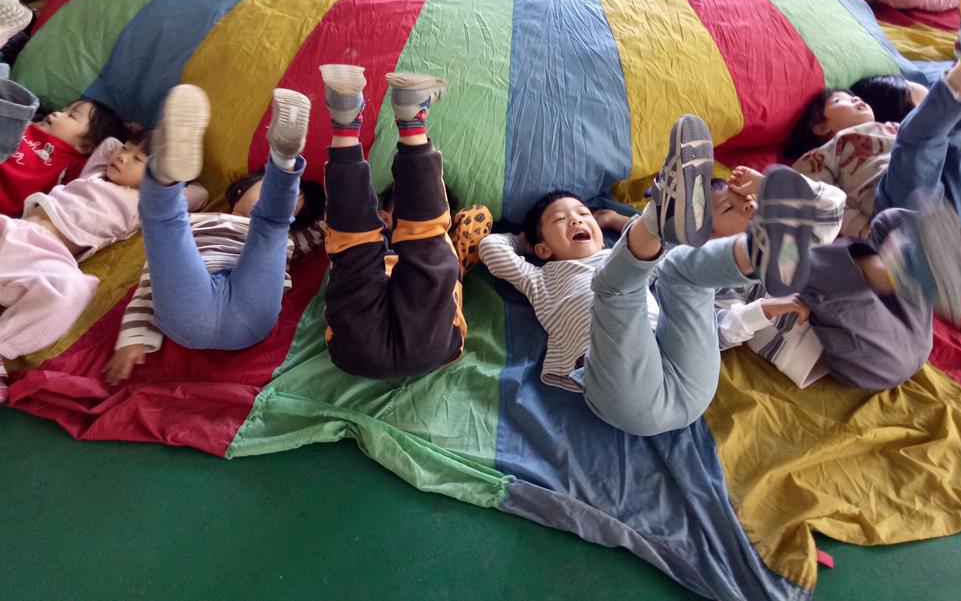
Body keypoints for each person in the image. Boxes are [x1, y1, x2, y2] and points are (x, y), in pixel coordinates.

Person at [481, 113, 828, 435]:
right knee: (611, 287)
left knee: (680, 269)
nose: (576, 220)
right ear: (543, 249)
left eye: (584, 213)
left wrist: (617, 221)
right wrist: (524, 241)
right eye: (560, 220)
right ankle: (662, 208)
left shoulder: (623, 258)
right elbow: (491, 248)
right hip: (626, 396)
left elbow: (656, 252)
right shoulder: (540, 278)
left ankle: (758, 251)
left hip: (688, 382)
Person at [105, 84, 325, 383]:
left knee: (273, 225)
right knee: (167, 225)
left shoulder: (289, 241)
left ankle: (284, 160)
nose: (284, 202)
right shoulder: (196, 220)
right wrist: (132, 336)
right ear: (244, 188)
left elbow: (327, 228)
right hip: (190, 308)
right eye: (268, 188)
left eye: (295, 206)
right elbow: (155, 276)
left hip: (251, 311)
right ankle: (170, 169)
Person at [789, 0, 961, 240]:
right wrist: (862, 228)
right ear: (820, 127)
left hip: (957, 211)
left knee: (955, 136)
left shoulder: (889, 127)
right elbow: (814, 198)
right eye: (840, 100)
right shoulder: (826, 152)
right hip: (902, 211)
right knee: (915, 138)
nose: (856, 98)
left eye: (855, 95)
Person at [318, 65, 477, 379]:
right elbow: (475, 218)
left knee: (367, 244)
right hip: (408, 346)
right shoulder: (442, 249)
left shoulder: (387, 238)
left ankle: (405, 121)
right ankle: (348, 121)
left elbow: (467, 220)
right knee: (369, 243)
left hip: (366, 342)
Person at [710, 168, 934, 391]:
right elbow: (715, 330)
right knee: (803, 263)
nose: (749, 205)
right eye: (728, 208)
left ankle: (938, 248)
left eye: (749, 199)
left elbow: (833, 206)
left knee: (888, 221)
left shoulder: (785, 229)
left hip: (905, 322)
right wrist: (766, 309)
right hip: (870, 356)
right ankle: (891, 267)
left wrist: (766, 184)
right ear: (708, 239)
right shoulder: (720, 277)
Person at [0, 131, 166, 399]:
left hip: (47, 256)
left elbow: (197, 193)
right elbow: (109, 143)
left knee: (75, 288)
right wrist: (137, 143)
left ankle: (3, 347)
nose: (122, 156)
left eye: (137, 159)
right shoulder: (96, 174)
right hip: (15, 228)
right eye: (126, 148)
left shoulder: (145, 205)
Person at [0, 94, 126, 216]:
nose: (56, 113)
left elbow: (108, 150)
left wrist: (130, 139)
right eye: (62, 110)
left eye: (71, 116)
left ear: (85, 147)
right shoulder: (26, 125)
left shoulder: (72, 165)